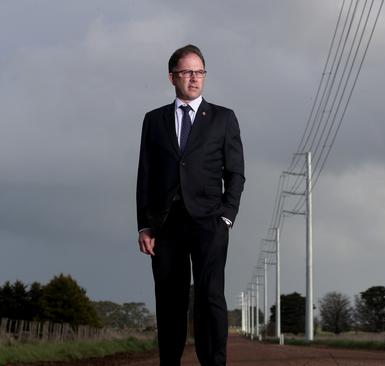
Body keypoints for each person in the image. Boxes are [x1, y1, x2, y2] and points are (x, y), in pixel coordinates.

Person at [136, 44, 245, 366]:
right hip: (166, 224)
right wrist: (144, 224)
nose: (194, 78)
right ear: (172, 77)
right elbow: (145, 175)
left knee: (210, 298)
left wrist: (227, 216)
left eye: (199, 72)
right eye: (187, 72)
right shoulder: (153, 120)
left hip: (209, 222)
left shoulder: (223, 119)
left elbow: (236, 173)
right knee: (170, 300)